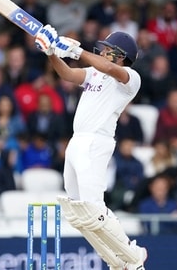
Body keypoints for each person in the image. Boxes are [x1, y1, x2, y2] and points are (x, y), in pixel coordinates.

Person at [34, 26, 147, 269]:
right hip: (77, 141)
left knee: (94, 208)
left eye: (108, 50)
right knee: (78, 213)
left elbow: (108, 68)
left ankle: (133, 254)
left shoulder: (130, 78)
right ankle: (115, 261)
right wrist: (51, 53)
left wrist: (76, 51)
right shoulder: (94, 73)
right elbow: (67, 75)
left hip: (97, 141)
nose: (103, 52)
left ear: (121, 55)